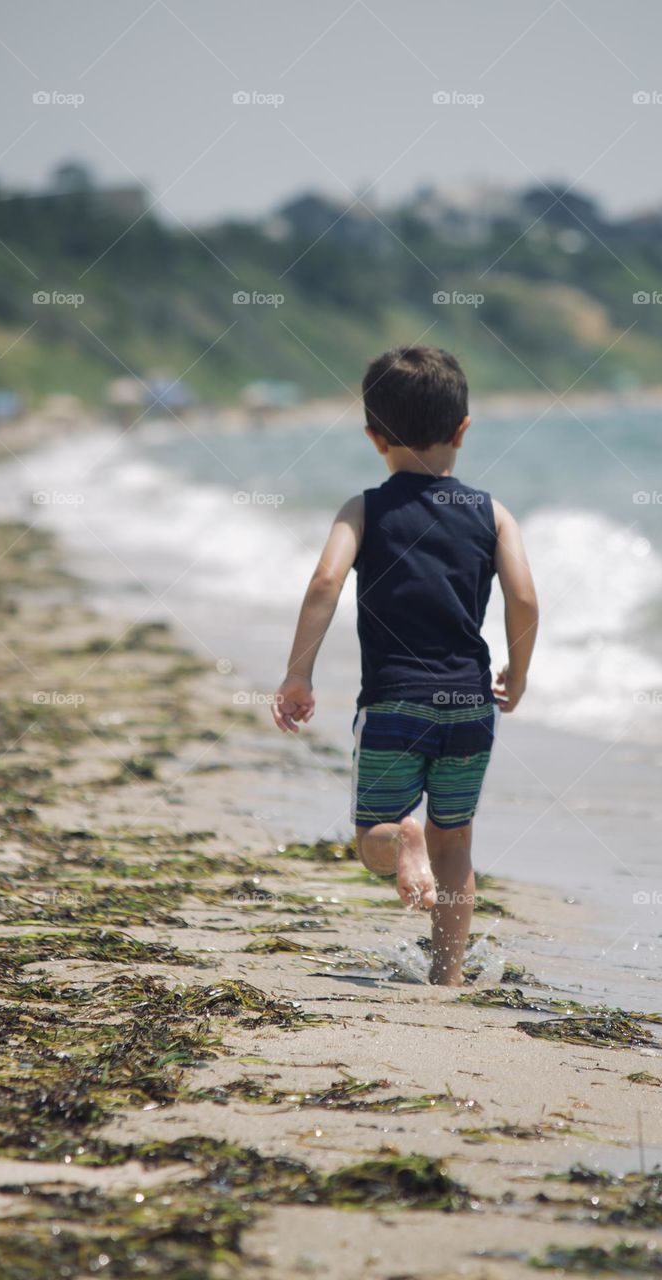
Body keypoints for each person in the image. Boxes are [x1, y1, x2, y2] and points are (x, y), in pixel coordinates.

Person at [272, 346, 538, 985]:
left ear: (373, 437)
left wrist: (299, 674)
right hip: (469, 708)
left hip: (394, 704)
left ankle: (402, 843)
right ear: (462, 430)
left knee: (372, 843)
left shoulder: (363, 509)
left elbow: (323, 583)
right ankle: (447, 977)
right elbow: (524, 597)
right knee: (457, 842)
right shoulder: (493, 512)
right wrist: (518, 672)